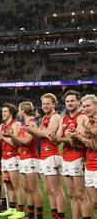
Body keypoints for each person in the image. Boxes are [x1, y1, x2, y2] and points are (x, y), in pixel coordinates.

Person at [24, 93, 67, 219]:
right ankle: (55, 215)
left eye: (48, 103)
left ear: (54, 104)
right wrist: (37, 132)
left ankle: (60, 216)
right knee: (48, 190)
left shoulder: (55, 117)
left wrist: (32, 130)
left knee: (56, 190)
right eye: (43, 103)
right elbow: (39, 136)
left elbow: (48, 133)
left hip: (52, 155)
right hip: (43, 155)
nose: (45, 106)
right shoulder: (44, 118)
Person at [52, 90, 90, 219]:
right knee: (72, 194)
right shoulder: (64, 118)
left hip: (78, 157)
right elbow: (57, 138)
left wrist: (59, 139)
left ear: (79, 101)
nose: (70, 103)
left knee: (81, 194)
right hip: (66, 158)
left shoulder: (82, 117)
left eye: (72, 100)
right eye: (67, 101)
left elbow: (76, 138)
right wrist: (53, 137)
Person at [6, 102, 44, 219]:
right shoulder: (24, 124)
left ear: (23, 110)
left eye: (19, 109)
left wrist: (13, 135)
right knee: (27, 188)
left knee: (34, 189)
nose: (18, 112)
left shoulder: (31, 124)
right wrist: (12, 135)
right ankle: (31, 215)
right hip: (23, 158)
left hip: (31, 159)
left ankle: (39, 216)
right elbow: (18, 143)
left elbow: (27, 141)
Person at [0, 103, 26, 219]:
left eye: (5, 111)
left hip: (13, 156)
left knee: (16, 185)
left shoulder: (16, 124)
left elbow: (17, 144)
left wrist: (0, 135)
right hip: (4, 157)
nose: (2, 113)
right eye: (2, 111)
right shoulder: (2, 125)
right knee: (8, 184)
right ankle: (11, 208)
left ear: (11, 113)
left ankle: (21, 210)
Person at [69, 95, 97, 219]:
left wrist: (79, 137)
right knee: (94, 203)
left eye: (88, 105)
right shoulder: (88, 122)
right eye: (84, 106)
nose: (85, 109)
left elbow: (95, 146)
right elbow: (79, 146)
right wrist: (74, 136)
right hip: (89, 166)